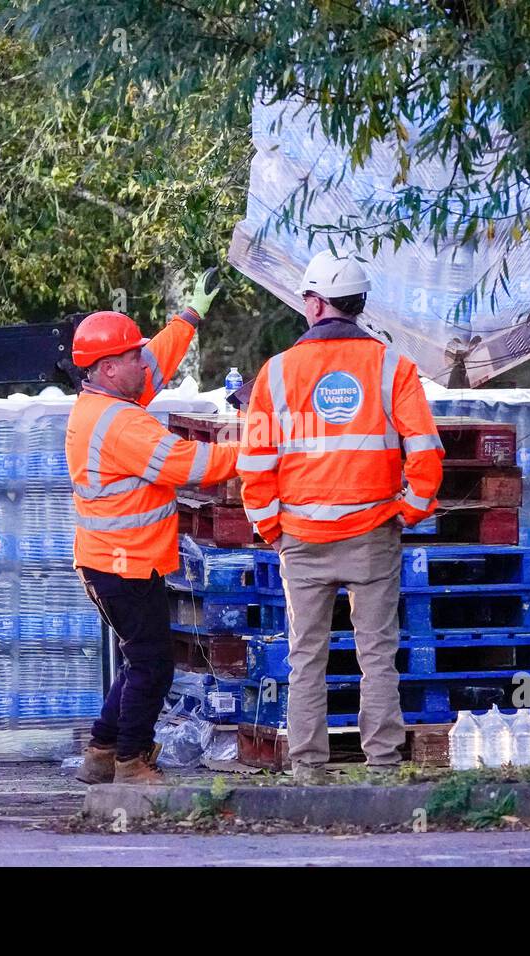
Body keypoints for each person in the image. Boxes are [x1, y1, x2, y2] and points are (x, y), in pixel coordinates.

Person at [238, 251, 444, 783]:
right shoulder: (394, 368)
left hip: (301, 540)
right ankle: (381, 764)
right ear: (359, 304)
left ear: (314, 302)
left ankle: (308, 768)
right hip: (374, 535)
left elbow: (255, 460)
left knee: (306, 658)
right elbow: (425, 452)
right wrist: (409, 511)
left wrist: (269, 525)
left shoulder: (277, 371)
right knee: (377, 655)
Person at [68, 274, 239, 785]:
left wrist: (190, 317)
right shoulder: (124, 425)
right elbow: (191, 466)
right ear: (107, 367)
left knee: (138, 658)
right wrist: (255, 452)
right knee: (152, 665)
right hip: (121, 562)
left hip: (114, 559)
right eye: (132, 357)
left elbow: (157, 360)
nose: (145, 364)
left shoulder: (107, 402)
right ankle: (131, 762)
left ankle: (102, 751)